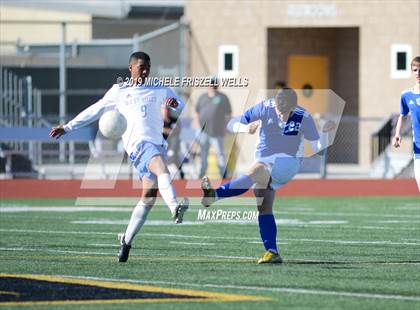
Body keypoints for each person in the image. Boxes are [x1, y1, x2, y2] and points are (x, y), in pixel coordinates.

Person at [49, 51, 189, 263]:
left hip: (157, 144)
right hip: (138, 146)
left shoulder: (159, 87)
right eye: (141, 66)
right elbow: (95, 110)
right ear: (130, 68)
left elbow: (180, 104)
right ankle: (174, 207)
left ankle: (126, 241)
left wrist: (173, 103)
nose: (145, 71)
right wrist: (68, 127)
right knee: (161, 168)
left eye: (148, 67)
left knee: (149, 197)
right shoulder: (119, 91)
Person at [201, 88, 335, 264]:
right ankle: (272, 251)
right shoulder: (265, 107)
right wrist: (245, 127)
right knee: (263, 206)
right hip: (266, 159)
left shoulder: (303, 116)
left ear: (295, 106)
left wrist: (325, 135)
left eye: (286, 112)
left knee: (255, 171)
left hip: (288, 162)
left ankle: (215, 195)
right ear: (275, 104)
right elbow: (231, 124)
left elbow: (320, 150)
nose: (282, 116)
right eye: (280, 112)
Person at [195, 77, 232, 178]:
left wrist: (225, 127)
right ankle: (201, 173)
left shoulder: (223, 97)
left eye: (214, 83)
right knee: (203, 154)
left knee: (219, 153)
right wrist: (198, 126)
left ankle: (223, 174)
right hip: (203, 132)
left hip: (217, 131)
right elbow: (197, 112)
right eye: (210, 83)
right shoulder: (202, 97)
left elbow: (228, 114)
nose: (212, 85)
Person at [393, 56, 420, 191]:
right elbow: (402, 116)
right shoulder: (406, 95)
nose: (418, 73)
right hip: (418, 149)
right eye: (415, 70)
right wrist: (397, 133)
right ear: (412, 72)